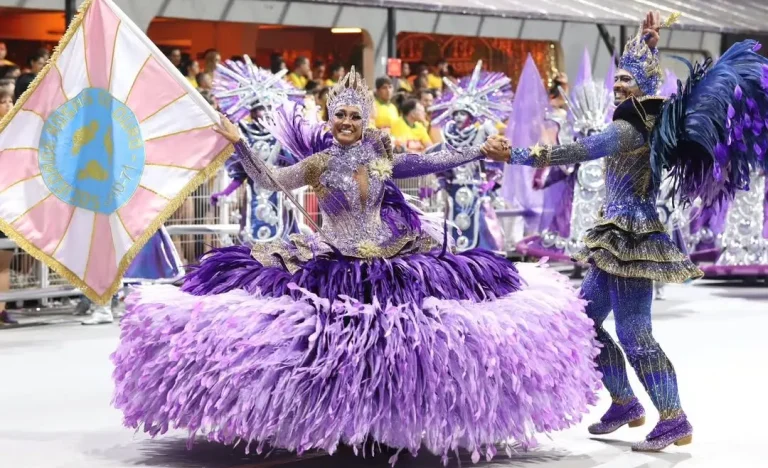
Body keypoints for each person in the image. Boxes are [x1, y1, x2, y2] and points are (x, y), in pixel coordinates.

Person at [112, 67, 601, 461]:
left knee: (391, 346)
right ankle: (332, 420)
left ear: (365, 121)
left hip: (386, 261)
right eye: (339, 115)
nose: (345, 122)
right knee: (329, 347)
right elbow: (269, 180)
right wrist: (238, 142)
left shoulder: (382, 160)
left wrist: (478, 150)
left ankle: (384, 420)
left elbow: (432, 162)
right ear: (330, 119)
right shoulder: (319, 163)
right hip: (330, 261)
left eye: (353, 116)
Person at [486, 10, 768, 451]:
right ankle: (623, 402)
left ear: (643, 86)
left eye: (626, 80)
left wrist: (513, 155)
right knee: (585, 322)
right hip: (614, 238)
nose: (617, 86)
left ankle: (673, 418)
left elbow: (574, 151)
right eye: (616, 79)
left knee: (635, 335)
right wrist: (647, 43)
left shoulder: (627, 128)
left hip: (631, 240)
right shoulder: (644, 120)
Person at [0, 87, 16, 326]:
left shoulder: (16, 133)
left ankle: (1, 311)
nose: (9, 105)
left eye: (11, 101)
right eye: (3, 101)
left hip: (6, 204)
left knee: (3, 264)